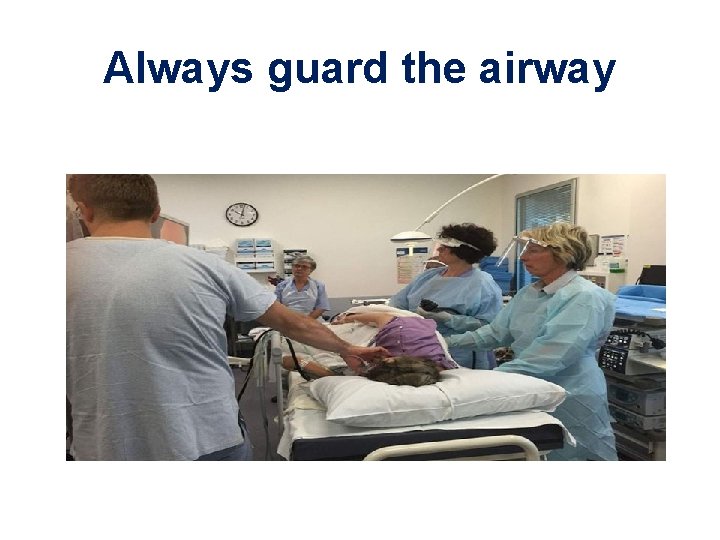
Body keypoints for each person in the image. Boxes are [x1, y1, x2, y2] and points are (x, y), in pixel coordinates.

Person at [66, 175, 389, 461]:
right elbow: (294, 323)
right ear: (155, 213)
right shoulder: (206, 265)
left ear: (84, 210)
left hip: (107, 444)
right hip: (210, 437)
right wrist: (348, 349)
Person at [444, 222, 618, 461]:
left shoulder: (584, 297)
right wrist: (443, 342)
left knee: (574, 455)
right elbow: (494, 334)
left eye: (533, 250)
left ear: (563, 253)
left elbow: (549, 357)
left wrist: (481, 382)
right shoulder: (530, 292)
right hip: (530, 386)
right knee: (536, 452)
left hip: (572, 392)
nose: (523, 257)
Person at [388, 223, 503, 369]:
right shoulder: (428, 277)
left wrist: (447, 318)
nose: (439, 250)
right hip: (418, 348)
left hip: (460, 356)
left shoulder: (483, 284)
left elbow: (489, 327)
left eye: (445, 247)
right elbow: (397, 304)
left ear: (462, 251)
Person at [281, 311, 457, 386]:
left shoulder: (393, 375)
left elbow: (290, 361)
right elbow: (381, 316)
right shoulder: (405, 335)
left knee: (290, 349)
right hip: (370, 324)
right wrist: (348, 318)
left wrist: (306, 365)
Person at [274, 255, 330, 320]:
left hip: (312, 320)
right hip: (288, 320)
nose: (299, 269)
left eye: (304, 267)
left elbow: (321, 307)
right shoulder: (282, 286)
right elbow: (277, 307)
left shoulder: (318, 286)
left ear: (311, 270)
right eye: (297, 266)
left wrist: (305, 321)